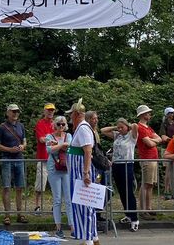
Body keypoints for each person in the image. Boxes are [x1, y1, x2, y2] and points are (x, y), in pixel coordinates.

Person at [68, 99, 99, 245]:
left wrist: (86, 173)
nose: (69, 118)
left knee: (84, 205)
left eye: (71, 114)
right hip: (77, 171)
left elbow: (88, 151)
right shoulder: (82, 127)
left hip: (80, 172)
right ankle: (93, 238)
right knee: (85, 204)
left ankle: (88, 240)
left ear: (76, 114)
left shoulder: (83, 128)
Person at [101, 118, 139, 232]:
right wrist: (115, 128)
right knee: (122, 191)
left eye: (122, 127)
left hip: (127, 164)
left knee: (128, 192)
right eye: (119, 127)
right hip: (116, 164)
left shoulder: (131, 136)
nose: (120, 129)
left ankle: (134, 218)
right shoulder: (117, 135)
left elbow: (136, 125)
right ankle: (127, 214)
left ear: (127, 127)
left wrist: (127, 126)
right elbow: (103, 130)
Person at [0, 104, 28, 225]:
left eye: (17, 112)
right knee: (7, 187)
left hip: (19, 159)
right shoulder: (2, 128)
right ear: (8, 112)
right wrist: (9, 150)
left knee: (20, 187)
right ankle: (7, 215)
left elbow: (24, 140)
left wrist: (22, 146)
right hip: (7, 159)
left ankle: (20, 214)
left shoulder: (21, 126)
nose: (15, 114)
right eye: (13, 112)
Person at [45, 116, 73, 238]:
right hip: (53, 169)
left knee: (69, 199)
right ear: (55, 125)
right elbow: (49, 149)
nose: (61, 126)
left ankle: (72, 227)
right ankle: (58, 228)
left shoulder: (69, 135)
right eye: (59, 124)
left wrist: (59, 145)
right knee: (57, 199)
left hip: (66, 169)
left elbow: (70, 147)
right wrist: (62, 145)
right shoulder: (49, 136)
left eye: (63, 124)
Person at [134, 105, 161, 220]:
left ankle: (148, 208)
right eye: (148, 113)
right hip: (147, 158)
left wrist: (152, 140)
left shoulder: (148, 128)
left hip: (152, 158)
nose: (150, 114)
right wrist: (154, 141)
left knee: (150, 184)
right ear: (143, 115)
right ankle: (143, 209)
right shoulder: (140, 128)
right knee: (146, 184)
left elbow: (158, 138)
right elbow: (149, 143)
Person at [33, 103, 57, 216]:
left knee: (56, 184)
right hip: (43, 158)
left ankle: (55, 206)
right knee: (40, 184)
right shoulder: (40, 123)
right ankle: (37, 206)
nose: (50, 112)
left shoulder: (57, 124)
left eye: (52, 110)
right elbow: (41, 139)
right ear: (44, 111)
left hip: (55, 158)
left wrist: (50, 139)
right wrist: (52, 140)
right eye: (48, 110)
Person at [159, 107, 174, 200]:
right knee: (168, 170)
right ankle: (167, 191)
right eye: (170, 113)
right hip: (167, 149)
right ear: (167, 114)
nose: (172, 114)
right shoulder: (164, 124)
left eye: (173, 112)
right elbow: (163, 137)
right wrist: (172, 140)